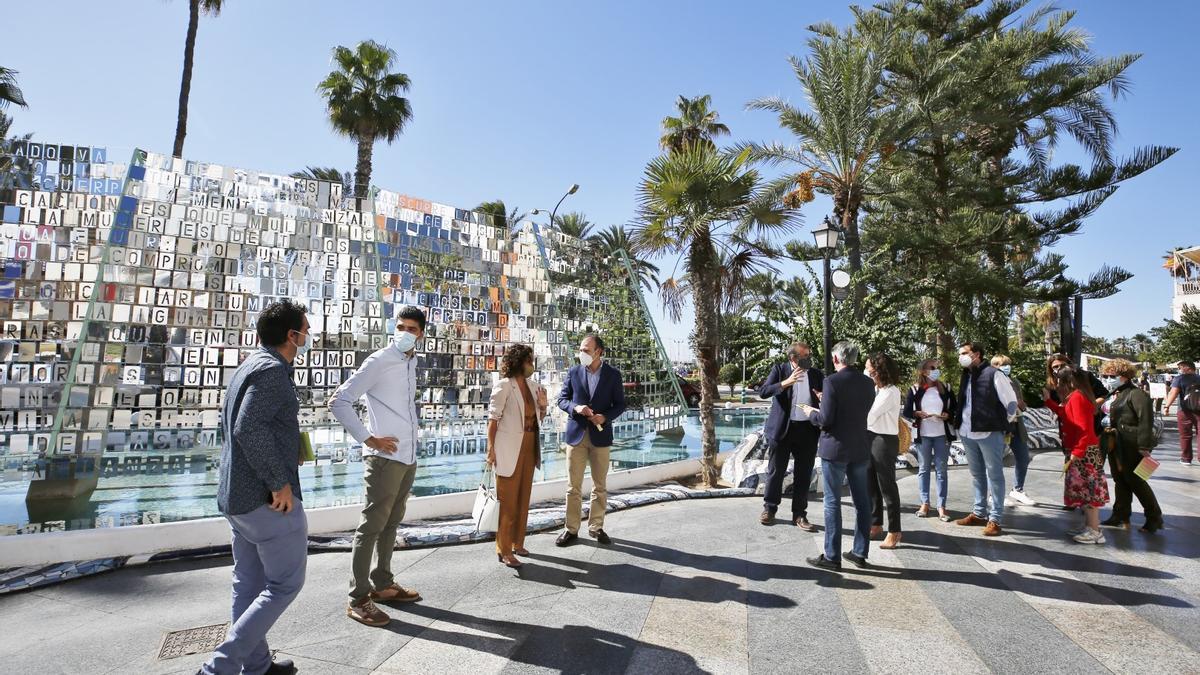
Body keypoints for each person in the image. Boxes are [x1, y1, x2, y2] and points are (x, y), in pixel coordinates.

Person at [201, 300, 309, 675]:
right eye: (305, 331)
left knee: (247, 586)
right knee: (284, 585)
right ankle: (219, 668)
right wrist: (277, 482)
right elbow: (248, 427)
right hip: (266, 502)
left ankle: (258, 666)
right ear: (291, 335)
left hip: (237, 497)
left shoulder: (249, 365)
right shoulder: (273, 372)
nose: (307, 337)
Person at [329, 305, 426, 627]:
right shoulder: (380, 360)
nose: (404, 333)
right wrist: (368, 439)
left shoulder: (410, 362)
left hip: (406, 457)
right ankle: (358, 598)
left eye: (411, 328)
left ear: (421, 334)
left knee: (391, 524)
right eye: (400, 326)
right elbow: (340, 400)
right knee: (370, 527)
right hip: (384, 460)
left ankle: (383, 584)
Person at [798, 341, 876, 570]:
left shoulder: (831, 381)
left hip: (835, 449)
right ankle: (860, 552)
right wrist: (828, 401)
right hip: (860, 447)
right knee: (862, 502)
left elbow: (826, 420)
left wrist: (812, 413)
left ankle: (832, 556)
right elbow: (856, 410)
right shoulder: (867, 382)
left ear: (835, 359)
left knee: (832, 502)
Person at [556, 334, 627, 546]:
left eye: (586, 350)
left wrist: (604, 416)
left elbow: (620, 404)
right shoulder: (574, 371)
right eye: (581, 349)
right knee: (573, 487)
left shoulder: (613, 375)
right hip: (576, 435)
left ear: (599, 352)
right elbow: (562, 399)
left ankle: (596, 527)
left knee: (600, 486)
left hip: (601, 435)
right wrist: (575, 408)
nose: (582, 353)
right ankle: (571, 529)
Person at [487, 344, 548, 568]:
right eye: (529, 360)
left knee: (523, 498)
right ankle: (503, 550)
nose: (532, 364)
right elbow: (493, 420)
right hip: (508, 448)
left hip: (530, 446)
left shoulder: (534, 386)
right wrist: (490, 449)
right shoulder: (504, 386)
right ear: (519, 361)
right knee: (508, 502)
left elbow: (538, 416)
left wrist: (543, 406)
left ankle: (517, 542)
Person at [953, 342, 1020, 537]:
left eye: (964, 353)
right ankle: (979, 512)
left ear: (976, 354)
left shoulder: (994, 374)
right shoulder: (966, 375)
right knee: (977, 474)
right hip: (967, 433)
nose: (961, 357)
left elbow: (1011, 403)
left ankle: (995, 519)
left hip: (989, 433)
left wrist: (1001, 424)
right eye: (960, 353)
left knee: (995, 475)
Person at [756, 342, 824, 530]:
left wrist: (823, 397)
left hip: (807, 430)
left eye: (809, 354)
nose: (808, 358)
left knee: (803, 474)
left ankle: (800, 515)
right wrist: (785, 383)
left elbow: (825, 397)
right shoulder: (780, 369)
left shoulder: (816, 374)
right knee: (776, 471)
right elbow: (763, 391)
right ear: (793, 357)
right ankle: (769, 509)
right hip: (782, 430)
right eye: (804, 356)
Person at [1044, 366, 1109, 544]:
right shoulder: (1076, 396)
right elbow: (1066, 415)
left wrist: (1077, 452)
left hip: (1084, 452)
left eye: (1059, 380)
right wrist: (1049, 402)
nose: (1057, 384)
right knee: (1085, 491)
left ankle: (1095, 531)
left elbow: (1084, 429)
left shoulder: (1077, 397)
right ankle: (1090, 526)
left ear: (1069, 381)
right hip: (1082, 450)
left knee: (1089, 492)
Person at [1099, 359, 1163, 533]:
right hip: (1115, 442)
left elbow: (1146, 420)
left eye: (1112, 375)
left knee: (1136, 480)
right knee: (1120, 479)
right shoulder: (1116, 393)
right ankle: (1120, 514)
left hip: (1132, 443)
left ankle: (1154, 517)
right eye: (1105, 375)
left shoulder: (1136, 394)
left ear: (1125, 376)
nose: (1108, 378)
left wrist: (1144, 446)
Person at [903, 359, 957, 522]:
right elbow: (907, 411)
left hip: (942, 434)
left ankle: (942, 506)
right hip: (923, 434)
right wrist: (917, 414)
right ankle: (924, 503)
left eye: (937, 368)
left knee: (942, 471)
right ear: (923, 371)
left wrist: (948, 415)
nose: (936, 370)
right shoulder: (914, 389)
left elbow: (955, 407)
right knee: (924, 469)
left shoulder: (946, 388)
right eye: (932, 368)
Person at [865, 352, 902, 549]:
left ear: (878, 370)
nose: (867, 370)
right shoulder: (877, 389)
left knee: (887, 486)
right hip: (871, 437)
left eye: (869, 367)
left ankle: (894, 531)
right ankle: (875, 523)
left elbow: (869, 416)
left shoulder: (890, 391)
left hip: (883, 440)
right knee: (870, 483)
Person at [992, 355, 1036, 506]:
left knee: (1023, 458)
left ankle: (1018, 489)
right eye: (1001, 364)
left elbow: (1020, 405)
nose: (1006, 367)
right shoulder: (991, 382)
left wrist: (1022, 404)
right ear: (994, 367)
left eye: (1007, 364)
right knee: (996, 461)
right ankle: (994, 494)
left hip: (1017, 424)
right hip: (1001, 426)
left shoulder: (1014, 382)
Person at [1162, 360, 1199, 465]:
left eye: (1180, 367)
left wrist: (1166, 406)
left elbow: (1173, 392)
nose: (1179, 370)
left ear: (1187, 367)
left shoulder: (1179, 379)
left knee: (1185, 435)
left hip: (1184, 411)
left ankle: (1186, 458)